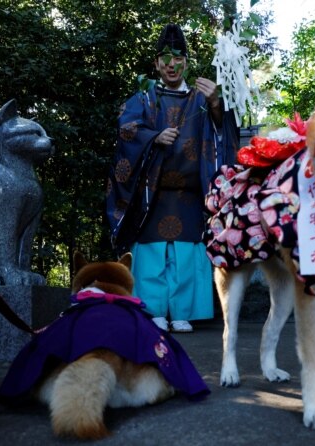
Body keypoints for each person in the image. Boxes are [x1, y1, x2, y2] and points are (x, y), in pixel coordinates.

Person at [106, 24, 238, 333]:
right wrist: (153, 137)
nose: (171, 64)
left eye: (178, 58)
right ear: (155, 63)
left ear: (187, 63)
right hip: (153, 193)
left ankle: (183, 312)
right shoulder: (143, 98)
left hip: (189, 193)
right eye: (164, 58)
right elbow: (126, 130)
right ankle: (153, 311)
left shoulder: (200, 99)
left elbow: (223, 134)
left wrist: (217, 103)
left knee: (186, 254)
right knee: (152, 254)